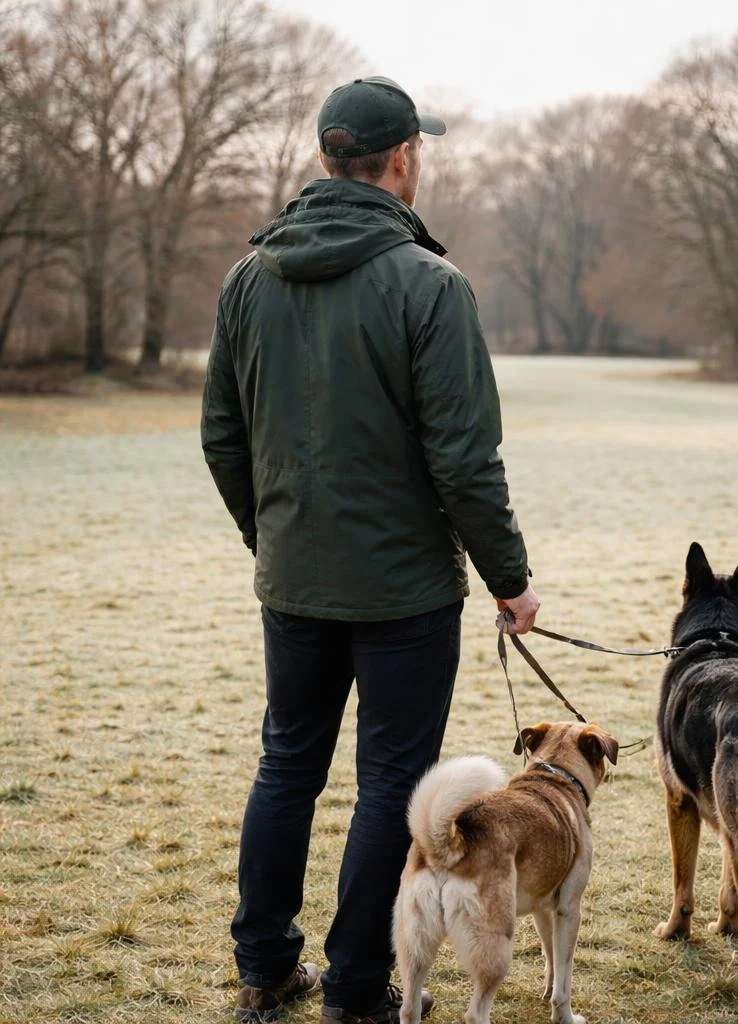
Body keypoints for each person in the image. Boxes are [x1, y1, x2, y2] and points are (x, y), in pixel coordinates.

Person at [201, 76, 540, 1024]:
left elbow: (222, 439)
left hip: (296, 582)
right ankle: (356, 989)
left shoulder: (246, 278)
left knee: (287, 768)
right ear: (402, 160)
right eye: (416, 151)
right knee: (392, 784)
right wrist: (510, 582)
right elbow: (466, 459)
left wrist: (272, 542)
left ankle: (265, 972)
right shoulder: (431, 285)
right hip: (404, 598)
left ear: (323, 158)